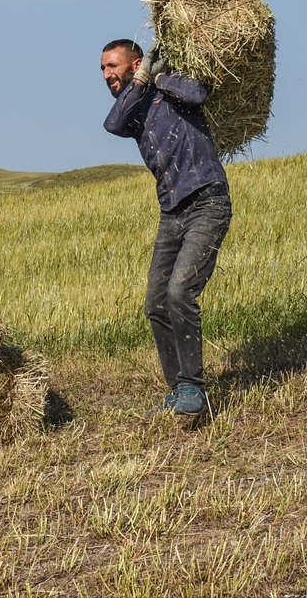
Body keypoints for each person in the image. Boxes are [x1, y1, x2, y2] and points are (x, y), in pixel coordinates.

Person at [100, 40, 232, 416]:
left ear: (137, 62)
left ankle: (194, 389)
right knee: (156, 305)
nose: (108, 75)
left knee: (179, 293)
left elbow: (199, 92)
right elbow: (112, 123)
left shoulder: (170, 88)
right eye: (103, 69)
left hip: (207, 200)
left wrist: (156, 75)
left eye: (113, 66)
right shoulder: (132, 107)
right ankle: (178, 391)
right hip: (171, 212)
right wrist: (139, 81)